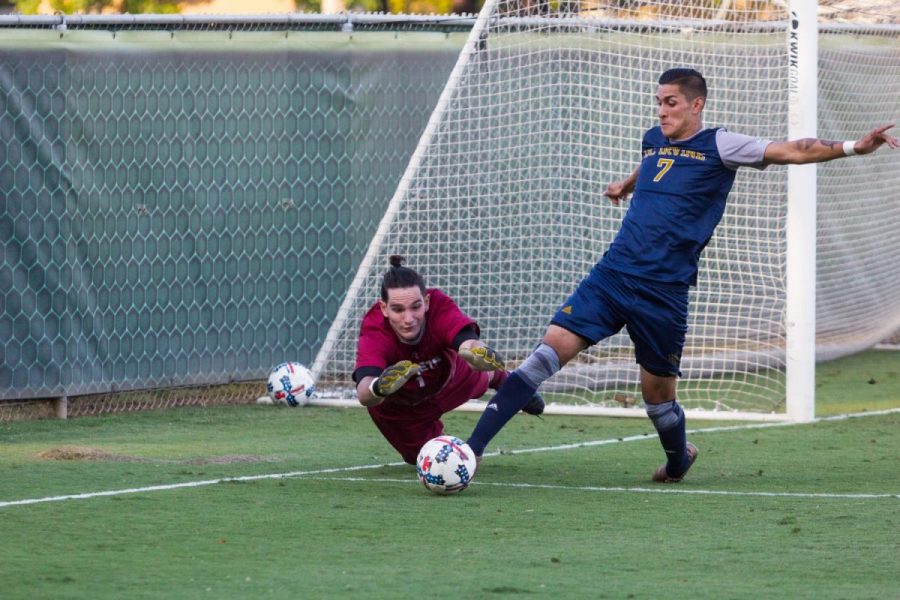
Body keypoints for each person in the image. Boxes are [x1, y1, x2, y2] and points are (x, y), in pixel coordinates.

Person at [466, 67, 898, 482]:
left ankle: (677, 461)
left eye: (670, 103)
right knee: (546, 354)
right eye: (658, 102)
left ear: (697, 104)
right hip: (613, 274)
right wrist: (625, 185)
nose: (661, 111)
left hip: (663, 293)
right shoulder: (653, 139)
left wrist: (852, 147)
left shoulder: (722, 144)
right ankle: (472, 451)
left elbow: (794, 149)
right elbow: (655, 162)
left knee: (657, 399)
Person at [353, 255, 545, 465]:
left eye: (416, 307)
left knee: (479, 372)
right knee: (426, 460)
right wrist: (379, 388)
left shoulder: (439, 306)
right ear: (384, 308)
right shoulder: (374, 328)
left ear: (426, 302)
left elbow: (468, 344)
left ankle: (502, 379)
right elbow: (364, 393)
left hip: (451, 381)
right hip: (401, 409)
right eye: (398, 310)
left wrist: (475, 354)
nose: (408, 319)